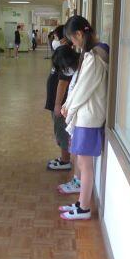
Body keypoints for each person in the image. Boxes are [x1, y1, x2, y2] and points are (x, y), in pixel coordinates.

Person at [58, 16, 109, 220]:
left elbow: (82, 90)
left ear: (79, 34)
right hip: (86, 117)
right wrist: (67, 106)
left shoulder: (94, 58)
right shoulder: (92, 55)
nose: (73, 43)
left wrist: (68, 109)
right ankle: (81, 203)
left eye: (72, 38)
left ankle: (84, 208)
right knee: (82, 163)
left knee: (85, 166)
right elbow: (79, 87)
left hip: (89, 119)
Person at [46, 42, 79, 171]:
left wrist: (58, 105)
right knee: (60, 130)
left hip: (62, 106)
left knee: (62, 131)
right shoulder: (67, 62)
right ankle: (64, 158)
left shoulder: (68, 66)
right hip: (60, 104)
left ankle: (65, 160)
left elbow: (62, 84)